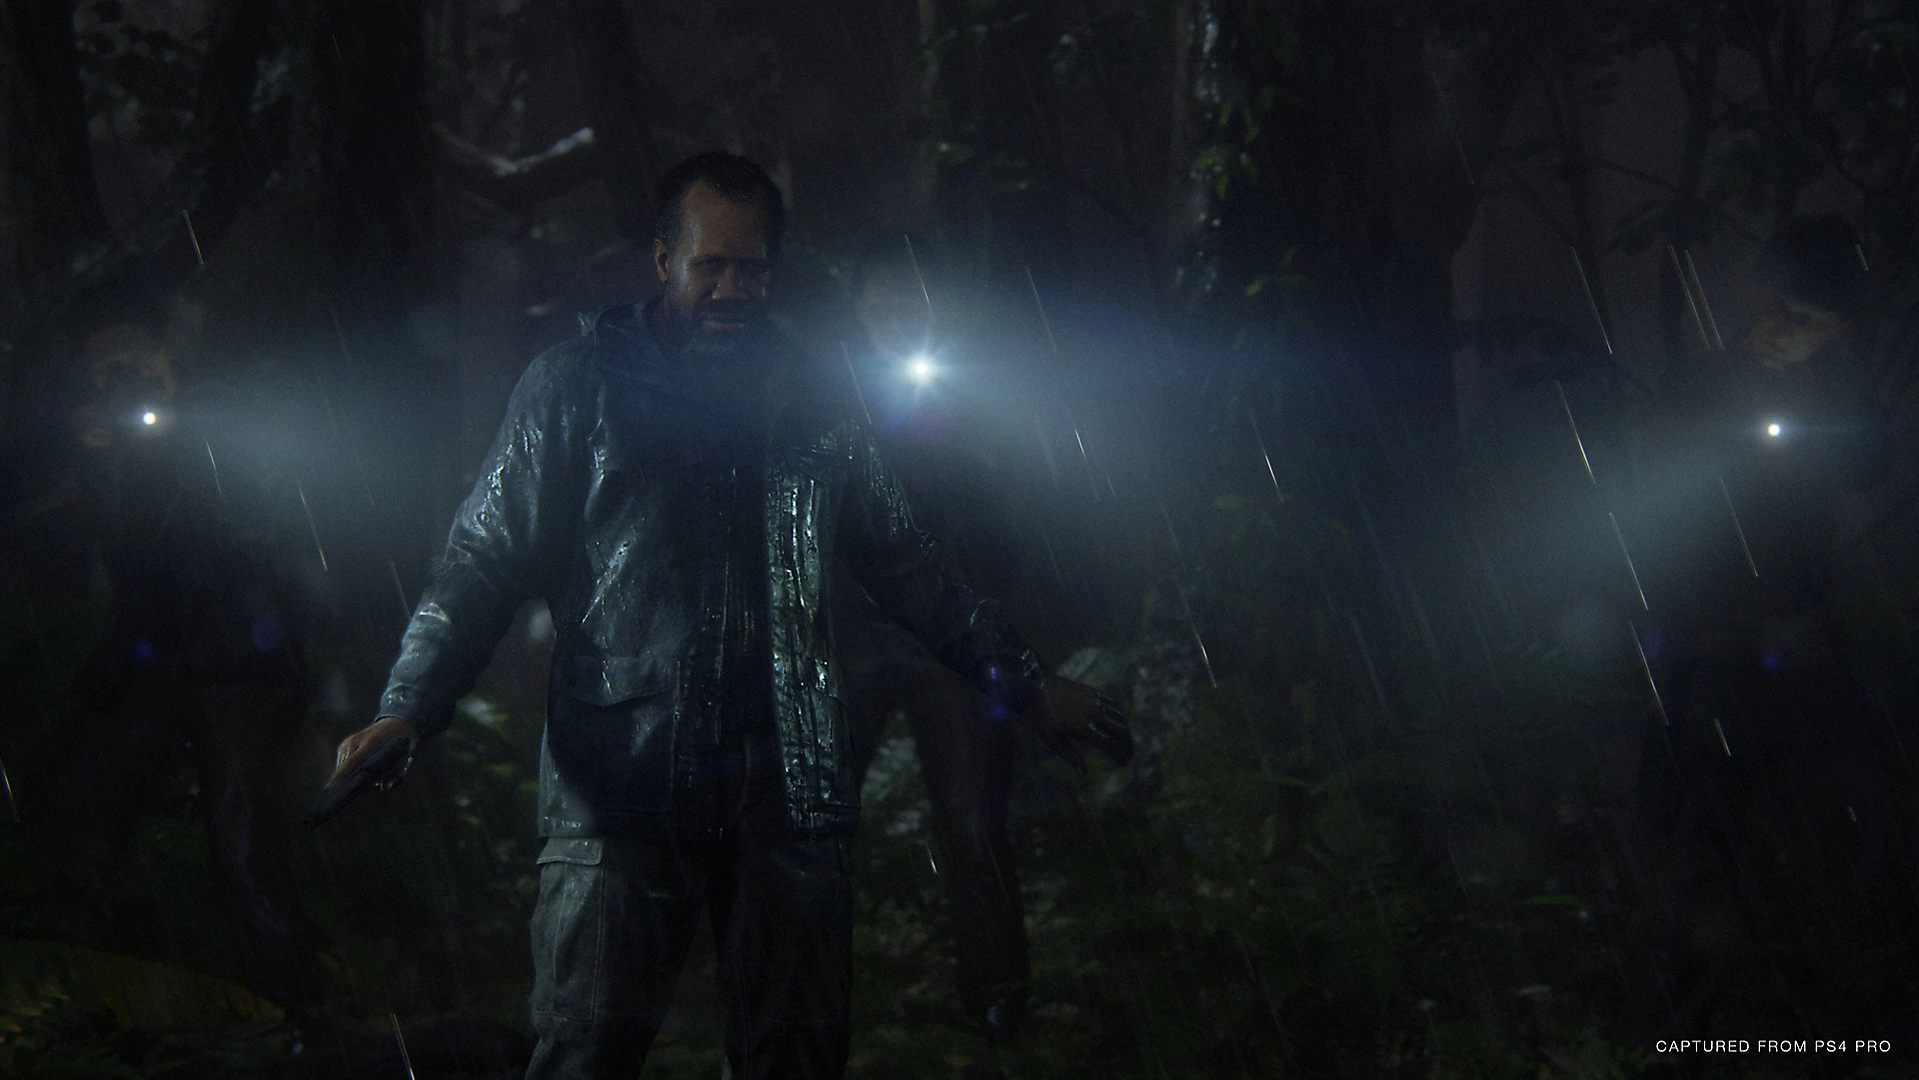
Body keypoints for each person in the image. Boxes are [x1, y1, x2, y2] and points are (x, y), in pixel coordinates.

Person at [316, 153, 1132, 1080]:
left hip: (787, 787)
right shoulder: (574, 386)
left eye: (752, 270)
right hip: (617, 782)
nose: (732, 291)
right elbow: (483, 560)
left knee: (795, 1054)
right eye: (711, 267)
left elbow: (906, 560)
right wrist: (408, 706)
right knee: (585, 1050)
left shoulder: (811, 395)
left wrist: (1021, 682)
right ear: (664, 259)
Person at [1630, 215, 1908, 1032]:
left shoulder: (1834, 394)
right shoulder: (1701, 386)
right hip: (1710, 635)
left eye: (1808, 319)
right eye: (1778, 306)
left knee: (1833, 829)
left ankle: (1833, 1016)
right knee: (1697, 834)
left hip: (1792, 639)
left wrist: (1825, 383)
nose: (1784, 328)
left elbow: (1865, 461)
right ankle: (1686, 1022)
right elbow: (1654, 499)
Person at [832, 235, 1037, 1044]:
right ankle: (800, 989)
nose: (895, 319)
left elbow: (1002, 514)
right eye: (881, 305)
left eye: (909, 305)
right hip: (852, 634)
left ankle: (997, 999)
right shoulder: (830, 395)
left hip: (945, 640)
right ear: (858, 308)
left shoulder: (966, 391)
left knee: (973, 820)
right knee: (812, 819)